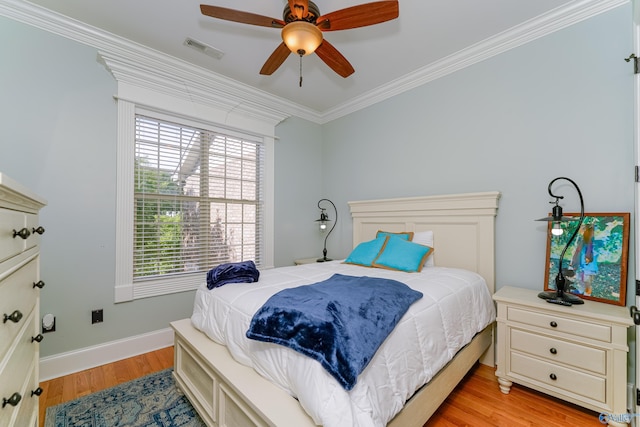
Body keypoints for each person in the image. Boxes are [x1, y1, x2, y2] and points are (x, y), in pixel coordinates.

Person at [570, 223, 597, 296]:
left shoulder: (588, 241)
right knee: (582, 280)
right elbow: (578, 252)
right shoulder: (583, 241)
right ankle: (581, 291)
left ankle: (586, 295)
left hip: (587, 267)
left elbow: (588, 251)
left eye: (582, 230)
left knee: (586, 281)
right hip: (584, 267)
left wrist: (587, 257)